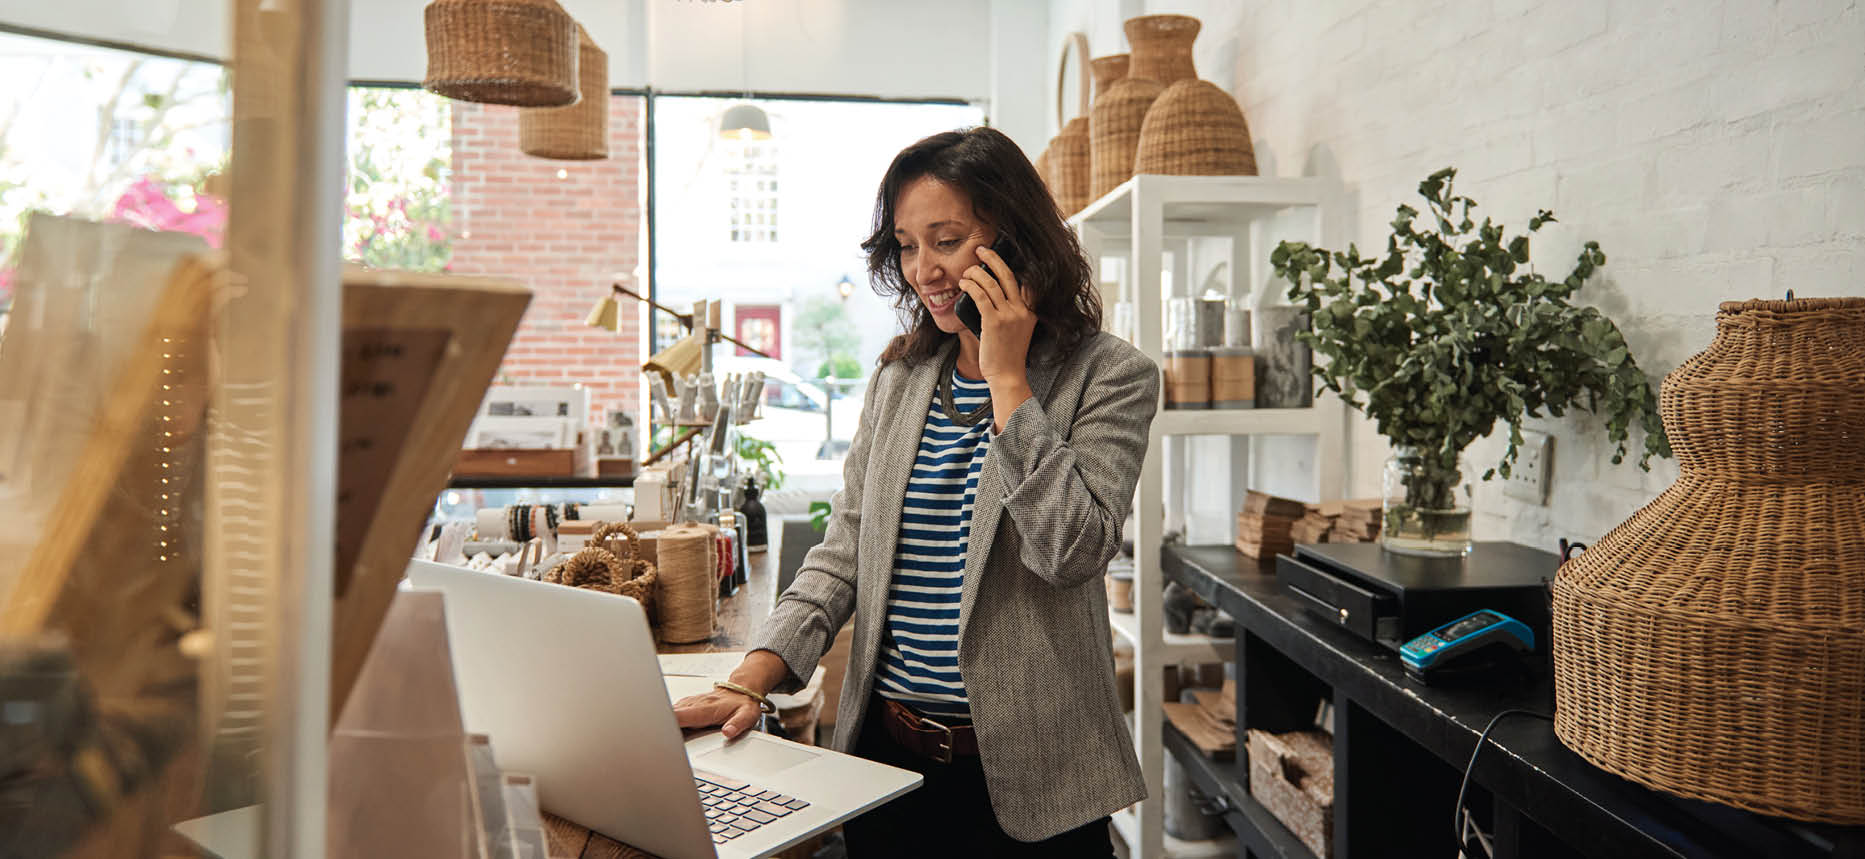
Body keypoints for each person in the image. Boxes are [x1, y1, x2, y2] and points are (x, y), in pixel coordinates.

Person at [673, 126, 1158, 857]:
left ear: (1014, 243)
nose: (923, 269)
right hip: (886, 764)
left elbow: (1073, 551)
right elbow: (844, 554)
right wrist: (752, 675)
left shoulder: (1110, 375)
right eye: (906, 244)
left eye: (947, 239)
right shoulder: (899, 381)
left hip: (1034, 784)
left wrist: (1008, 382)